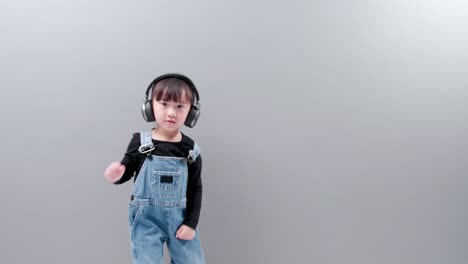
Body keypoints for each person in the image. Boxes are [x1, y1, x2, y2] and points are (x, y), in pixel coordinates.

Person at [104, 73, 206, 264]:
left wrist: (191, 224)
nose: (171, 113)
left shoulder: (190, 150)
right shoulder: (140, 143)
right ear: (150, 107)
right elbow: (126, 171)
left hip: (180, 218)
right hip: (146, 220)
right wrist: (117, 174)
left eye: (180, 106)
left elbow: (195, 188)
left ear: (191, 113)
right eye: (164, 104)